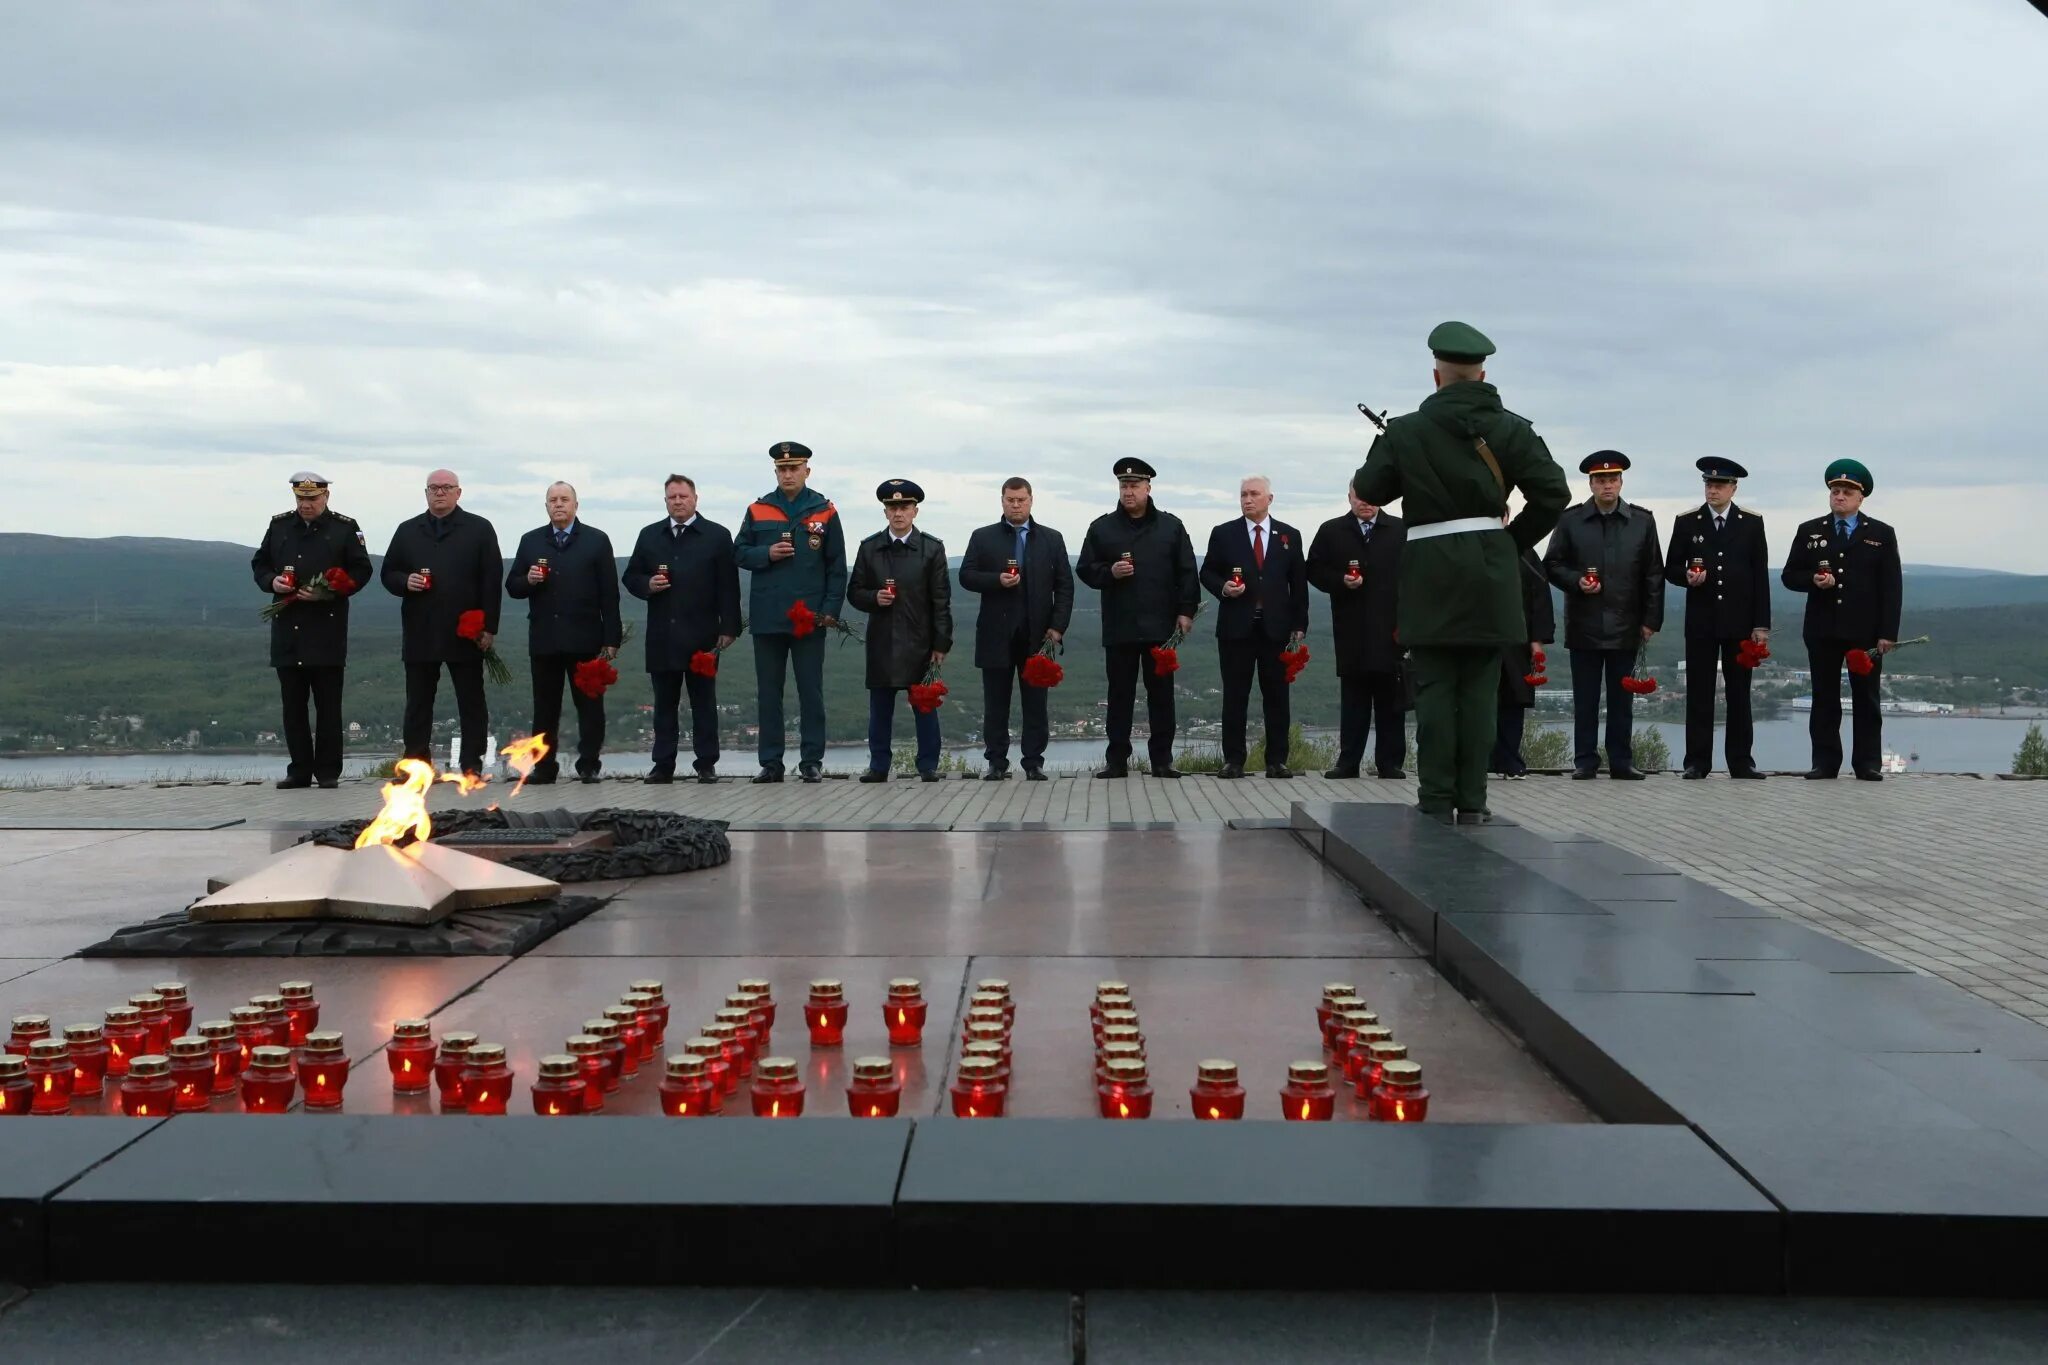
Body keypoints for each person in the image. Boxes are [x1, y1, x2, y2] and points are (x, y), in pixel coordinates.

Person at [1352, 321, 1570, 823]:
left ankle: (1434, 798)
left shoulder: (1407, 429)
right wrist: (1508, 541)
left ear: (1437, 376)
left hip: (1430, 572)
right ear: (1482, 374)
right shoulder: (1512, 428)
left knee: (1433, 689)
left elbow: (1370, 488)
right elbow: (1553, 493)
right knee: (1480, 691)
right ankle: (1472, 802)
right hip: (1491, 574)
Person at [1542, 452, 1664, 779]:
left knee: (1622, 702)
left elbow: (1654, 573)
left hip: (1627, 625)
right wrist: (1577, 582)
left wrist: (1651, 620)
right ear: (1591, 483)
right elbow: (1551, 564)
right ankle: (1585, 761)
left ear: (1621, 482)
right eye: (1600, 480)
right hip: (1585, 624)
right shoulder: (1570, 520)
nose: (1607, 484)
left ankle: (1621, 761)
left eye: (1613, 479)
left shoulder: (1642, 521)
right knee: (1586, 700)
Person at [1076, 458, 1200, 779]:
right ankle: (1116, 761)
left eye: (1134, 485)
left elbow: (1187, 572)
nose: (1128, 491)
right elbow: (1086, 569)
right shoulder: (1102, 528)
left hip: (1161, 628)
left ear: (1148, 487)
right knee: (1119, 696)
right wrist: (1110, 572)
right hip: (1121, 627)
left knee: (1161, 697)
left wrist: (1186, 612)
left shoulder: (1171, 527)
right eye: (1123, 485)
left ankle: (1162, 761)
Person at [249, 472, 374, 789]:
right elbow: (260, 563)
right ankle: (299, 769)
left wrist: (329, 592)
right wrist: (271, 582)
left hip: (326, 629)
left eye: (312, 499)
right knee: (293, 706)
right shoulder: (279, 526)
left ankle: (328, 771)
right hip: (288, 630)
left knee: (328, 706)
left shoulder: (344, 528)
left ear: (326, 497)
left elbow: (361, 570)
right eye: (301, 499)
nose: (306, 504)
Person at [733, 442, 848, 783]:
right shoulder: (759, 509)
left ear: (806, 471)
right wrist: (766, 553)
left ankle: (811, 761)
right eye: (781, 469)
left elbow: (837, 566)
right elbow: (739, 552)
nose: (787, 474)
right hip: (768, 615)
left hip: (809, 618)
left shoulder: (824, 510)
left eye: (793, 468)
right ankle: (771, 763)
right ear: (775, 472)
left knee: (810, 691)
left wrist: (830, 610)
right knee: (769, 692)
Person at [1781, 458, 1902, 781]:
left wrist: (1887, 633)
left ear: (1861, 497)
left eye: (1847, 491)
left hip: (1865, 632)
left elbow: (1891, 588)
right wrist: (1812, 580)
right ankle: (1825, 762)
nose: (1839, 496)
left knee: (1866, 698)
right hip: (1822, 629)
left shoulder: (1881, 534)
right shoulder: (1810, 531)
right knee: (1824, 699)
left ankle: (1867, 763)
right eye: (1835, 490)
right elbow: (1789, 576)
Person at [380, 469, 502, 777]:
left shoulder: (479, 528)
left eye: (446, 487)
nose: (440, 493)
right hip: (421, 629)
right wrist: (405, 581)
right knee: (418, 702)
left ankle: (472, 765)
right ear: (425, 493)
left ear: (459, 493)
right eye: (434, 488)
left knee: (471, 701)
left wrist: (490, 627)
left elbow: (492, 580)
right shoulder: (408, 530)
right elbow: (388, 573)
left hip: (466, 631)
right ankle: (416, 766)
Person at [623, 474, 740, 784]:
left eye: (683, 496)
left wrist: (729, 627)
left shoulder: (717, 535)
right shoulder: (649, 535)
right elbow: (630, 576)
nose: (677, 501)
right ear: (665, 501)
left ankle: (706, 764)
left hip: (703, 635)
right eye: (672, 497)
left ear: (695, 499)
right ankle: (663, 765)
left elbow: (729, 586)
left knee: (704, 703)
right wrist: (647, 584)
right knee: (664, 705)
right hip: (662, 635)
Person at [959, 477, 1074, 780]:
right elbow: (966, 576)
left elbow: (1064, 586)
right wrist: (996, 579)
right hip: (996, 634)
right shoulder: (983, 537)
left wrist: (1057, 627)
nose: (1016, 504)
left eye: (1021, 499)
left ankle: (1033, 761)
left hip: (1038, 636)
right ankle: (997, 762)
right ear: (1002, 501)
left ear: (1031, 500)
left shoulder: (1051, 538)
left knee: (1036, 703)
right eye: (1010, 499)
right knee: (996, 704)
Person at [505, 482, 620, 784]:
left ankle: (589, 765)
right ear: (546, 507)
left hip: (586, 639)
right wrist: (527, 580)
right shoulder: (530, 541)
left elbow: (610, 594)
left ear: (576, 505)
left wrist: (611, 639)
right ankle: (544, 768)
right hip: (545, 639)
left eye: (564, 499)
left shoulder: (596, 540)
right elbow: (512, 587)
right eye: (553, 500)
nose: (558, 504)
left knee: (590, 707)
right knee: (544, 709)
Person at [1664, 458, 1770, 779]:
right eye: (1708, 484)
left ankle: (1741, 761)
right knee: (1699, 692)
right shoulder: (1687, 522)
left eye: (1719, 485)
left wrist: (1761, 624)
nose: (1713, 489)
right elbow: (1670, 569)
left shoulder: (1751, 523)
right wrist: (1687, 577)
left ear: (1733, 488)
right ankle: (1697, 761)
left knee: (1739, 694)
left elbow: (1760, 577)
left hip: (1740, 622)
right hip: (1701, 622)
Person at [1199, 476, 1309, 778]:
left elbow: (1298, 583)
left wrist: (1299, 623)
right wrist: (1224, 588)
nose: (1248, 499)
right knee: (1235, 695)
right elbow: (1206, 572)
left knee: (1277, 696)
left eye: (1254, 494)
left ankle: (1277, 760)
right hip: (1237, 628)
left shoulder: (1289, 535)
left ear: (1269, 498)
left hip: (1276, 629)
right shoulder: (1224, 534)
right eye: (1243, 494)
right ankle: (1233, 760)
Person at [847, 480, 953, 782]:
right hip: (881, 640)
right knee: (880, 709)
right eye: (892, 507)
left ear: (915, 511)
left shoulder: (932, 549)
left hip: (920, 642)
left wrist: (941, 643)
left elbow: (941, 600)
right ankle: (879, 766)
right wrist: (873, 598)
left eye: (904, 507)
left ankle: (928, 765)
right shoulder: (869, 548)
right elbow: (854, 592)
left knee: (924, 706)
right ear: (885, 512)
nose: (898, 513)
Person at [1307, 487, 1406, 779]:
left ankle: (1390, 764)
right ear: (1349, 498)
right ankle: (1348, 763)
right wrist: (1340, 581)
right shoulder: (1332, 530)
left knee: (1391, 701)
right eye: (1359, 496)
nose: (1365, 501)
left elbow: (1417, 573)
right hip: (1351, 630)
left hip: (1392, 632)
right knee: (1353, 701)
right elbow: (1313, 570)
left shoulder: (1400, 529)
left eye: (1371, 495)